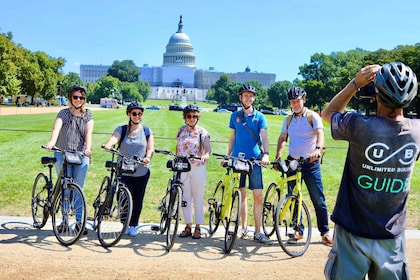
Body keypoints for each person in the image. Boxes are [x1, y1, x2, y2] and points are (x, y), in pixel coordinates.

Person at [322, 62, 420, 279]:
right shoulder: (417, 132)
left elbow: (328, 114)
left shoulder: (358, 125)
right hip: (391, 237)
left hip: (351, 233)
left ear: (376, 94)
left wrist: (355, 83)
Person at [275, 86, 333, 246]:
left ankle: (325, 232)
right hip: (292, 161)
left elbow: (320, 134)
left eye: (297, 101)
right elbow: (282, 138)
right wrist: (278, 155)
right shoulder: (288, 119)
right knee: (293, 197)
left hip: (310, 162)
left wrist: (318, 149)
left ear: (304, 99)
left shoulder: (312, 116)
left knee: (318, 199)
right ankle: (298, 230)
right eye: (292, 102)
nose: (294, 104)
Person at [45, 84, 94, 234]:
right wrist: (52, 142)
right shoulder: (64, 113)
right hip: (63, 154)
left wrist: (88, 149)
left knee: (78, 189)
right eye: (75, 97)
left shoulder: (88, 115)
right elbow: (56, 128)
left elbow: (88, 134)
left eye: (81, 97)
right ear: (70, 98)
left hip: (80, 155)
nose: (78, 100)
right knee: (65, 189)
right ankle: (64, 221)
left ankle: (79, 223)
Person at [227, 84, 271, 244]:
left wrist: (266, 153)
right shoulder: (235, 116)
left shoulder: (260, 117)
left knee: (258, 197)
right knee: (242, 196)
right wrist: (228, 156)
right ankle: (243, 227)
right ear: (240, 97)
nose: (249, 98)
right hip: (239, 159)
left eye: (251, 96)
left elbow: (264, 137)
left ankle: (258, 231)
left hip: (255, 160)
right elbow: (232, 137)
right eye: (246, 95)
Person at [102, 102, 154, 237]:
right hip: (124, 169)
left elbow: (150, 148)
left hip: (141, 171)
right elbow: (115, 137)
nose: (137, 116)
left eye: (140, 114)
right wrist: (109, 144)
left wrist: (148, 157)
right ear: (129, 114)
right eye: (134, 113)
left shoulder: (146, 131)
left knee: (138, 199)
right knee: (123, 198)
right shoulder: (123, 129)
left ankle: (133, 225)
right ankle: (124, 223)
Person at [176, 104, 211, 239]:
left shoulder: (202, 132)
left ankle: (198, 226)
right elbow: (177, 148)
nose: (192, 119)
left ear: (198, 118)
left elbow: (207, 148)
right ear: (185, 117)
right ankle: (188, 225)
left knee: (198, 197)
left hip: (197, 167)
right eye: (189, 116)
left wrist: (206, 155)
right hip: (183, 168)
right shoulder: (180, 130)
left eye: (194, 116)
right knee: (185, 198)